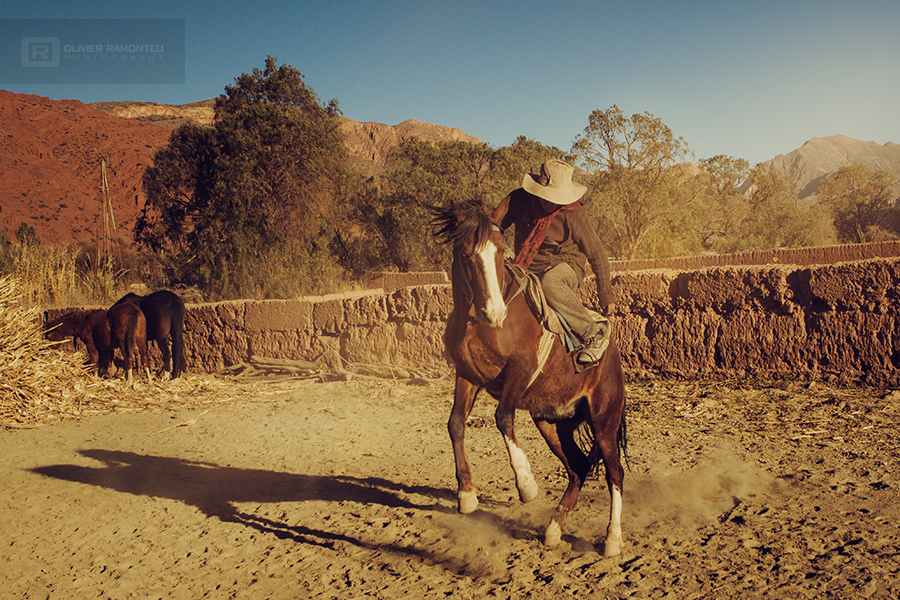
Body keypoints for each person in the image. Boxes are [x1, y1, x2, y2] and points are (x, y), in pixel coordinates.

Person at [493, 159, 614, 364]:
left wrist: (606, 296)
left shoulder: (574, 214)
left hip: (565, 265)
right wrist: (501, 247)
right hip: (526, 265)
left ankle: (594, 332)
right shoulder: (518, 200)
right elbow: (495, 224)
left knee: (551, 283)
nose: (550, 202)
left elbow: (597, 254)